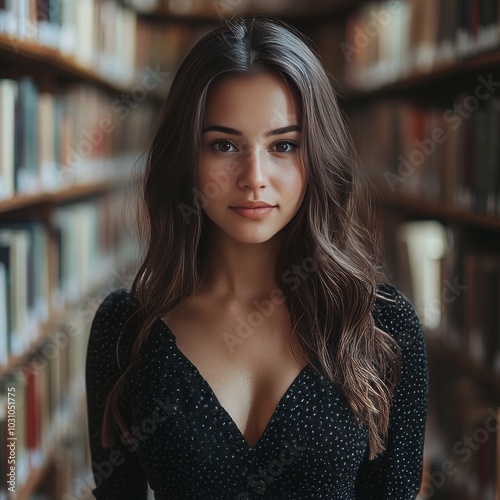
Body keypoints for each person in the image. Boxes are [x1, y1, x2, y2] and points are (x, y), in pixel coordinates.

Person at [85, 16, 428, 499]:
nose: (254, 177)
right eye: (224, 145)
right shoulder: (125, 329)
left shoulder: (383, 329)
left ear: (318, 156)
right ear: (186, 158)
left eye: (284, 145)